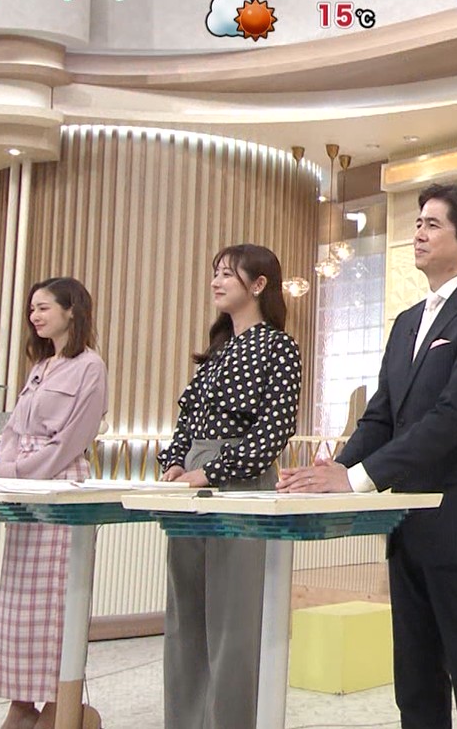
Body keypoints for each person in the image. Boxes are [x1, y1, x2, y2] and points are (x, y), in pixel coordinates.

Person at [277, 183, 457, 729]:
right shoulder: (409, 320)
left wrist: (359, 479)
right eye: (418, 223)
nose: (419, 233)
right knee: (415, 676)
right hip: (406, 521)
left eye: (433, 224)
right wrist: (334, 469)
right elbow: (382, 414)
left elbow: (453, 416)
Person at [157, 244, 302, 729]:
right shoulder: (216, 353)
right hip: (191, 485)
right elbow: (186, 422)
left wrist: (211, 471)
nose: (216, 281)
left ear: (259, 285)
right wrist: (175, 464)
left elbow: (273, 431)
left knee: (234, 619)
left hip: (242, 484)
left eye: (227, 274)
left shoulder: (279, 348)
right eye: (215, 273)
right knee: (185, 615)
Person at [0, 278, 107, 729]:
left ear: (72, 310)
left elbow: (71, 441)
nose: (34, 316)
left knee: (54, 605)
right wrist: (0, 468)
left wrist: (12, 471)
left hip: (58, 488)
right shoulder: (40, 367)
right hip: (23, 490)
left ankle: (56, 706)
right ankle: (21, 703)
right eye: (31, 309)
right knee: (19, 606)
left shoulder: (90, 367)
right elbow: (13, 430)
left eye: (43, 307)